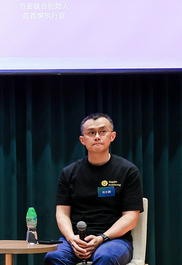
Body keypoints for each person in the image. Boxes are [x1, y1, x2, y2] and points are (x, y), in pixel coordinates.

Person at [44, 113, 143, 265]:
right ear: (82, 140)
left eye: (102, 131)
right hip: (76, 239)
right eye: (91, 133)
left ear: (112, 136)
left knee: (105, 257)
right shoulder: (69, 172)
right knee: (53, 257)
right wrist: (71, 238)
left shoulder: (128, 171)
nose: (97, 137)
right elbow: (62, 213)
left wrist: (102, 238)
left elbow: (131, 217)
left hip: (114, 240)